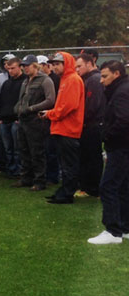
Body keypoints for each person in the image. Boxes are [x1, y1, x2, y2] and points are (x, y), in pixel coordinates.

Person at [88, 60, 129, 244]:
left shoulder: (121, 92)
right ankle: (124, 227)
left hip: (120, 147)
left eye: (105, 76)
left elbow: (123, 121)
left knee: (109, 186)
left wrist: (107, 137)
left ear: (117, 74)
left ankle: (113, 231)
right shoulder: (121, 90)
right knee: (122, 186)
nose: (101, 80)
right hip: (121, 147)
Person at [41, 52, 85, 204]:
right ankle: (64, 191)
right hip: (62, 128)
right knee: (65, 164)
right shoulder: (65, 80)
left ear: (66, 64)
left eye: (57, 64)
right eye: (53, 64)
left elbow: (68, 106)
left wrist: (50, 114)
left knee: (68, 165)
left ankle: (67, 194)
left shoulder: (72, 79)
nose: (54, 67)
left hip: (69, 129)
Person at [14, 54, 56, 191]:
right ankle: (26, 178)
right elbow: (22, 99)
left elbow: (51, 100)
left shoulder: (45, 80)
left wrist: (32, 108)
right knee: (24, 150)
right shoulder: (26, 81)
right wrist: (18, 108)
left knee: (37, 151)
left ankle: (40, 181)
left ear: (35, 65)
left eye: (27, 65)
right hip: (23, 120)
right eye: (24, 66)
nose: (25, 68)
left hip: (36, 121)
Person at [74, 53, 106, 197]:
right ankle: (87, 186)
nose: (77, 70)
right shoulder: (87, 79)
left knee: (92, 157)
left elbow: (92, 105)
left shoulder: (94, 79)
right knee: (88, 156)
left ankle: (92, 189)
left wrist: (82, 119)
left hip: (92, 125)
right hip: (90, 123)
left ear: (90, 63)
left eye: (79, 66)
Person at [0, 56, 26, 178]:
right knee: (8, 147)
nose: (10, 71)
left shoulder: (25, 82)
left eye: (13, 68)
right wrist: (0, 117)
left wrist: (20, 117)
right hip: (4, 119)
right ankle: (10, 169)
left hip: (16, 120)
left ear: (20, 67)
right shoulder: (6, 83)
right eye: (8, 69)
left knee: (17, 148)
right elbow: (1, 100)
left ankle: (19, 170)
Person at [39, 54, 61, 184]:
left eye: (39, 65)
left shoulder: (55, 79)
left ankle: (53, 176)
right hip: (44, 116)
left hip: (52, 116)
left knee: (52, 148)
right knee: (45, 148)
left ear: (46, 65)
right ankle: (48, 173)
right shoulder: (40, 79)